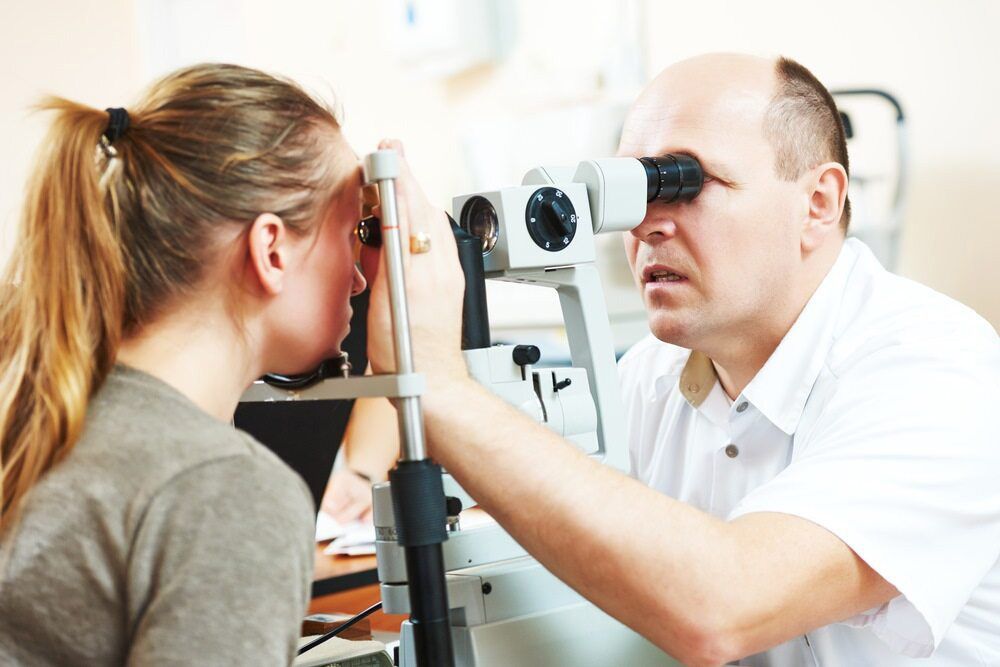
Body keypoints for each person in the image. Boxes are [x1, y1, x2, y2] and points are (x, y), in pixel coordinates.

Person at [363, 55, 1000, 665]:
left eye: (683, 183)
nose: (645, 226)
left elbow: (724, 607)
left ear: (819, 203)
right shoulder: (649, 377)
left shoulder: (939, 370)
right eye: (634, 191)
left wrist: (442, 387)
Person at [0, 63, 367, 664]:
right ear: (270, 248)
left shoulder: (36, 413)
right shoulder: (225, 489)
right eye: (352, 233)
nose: (358, 277)